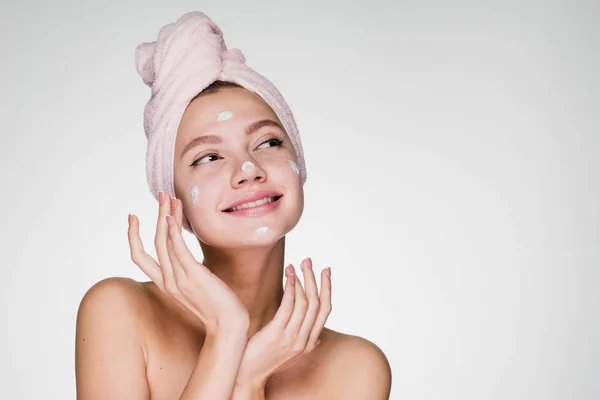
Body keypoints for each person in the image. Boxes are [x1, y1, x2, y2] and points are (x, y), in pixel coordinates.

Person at [75, 11, 391, 399]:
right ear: (172, 200)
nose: (248, 170)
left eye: (268, 142)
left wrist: (246, 381)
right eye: (208, 157)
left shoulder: (355, 369)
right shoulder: (119, 312)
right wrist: (228, 337)